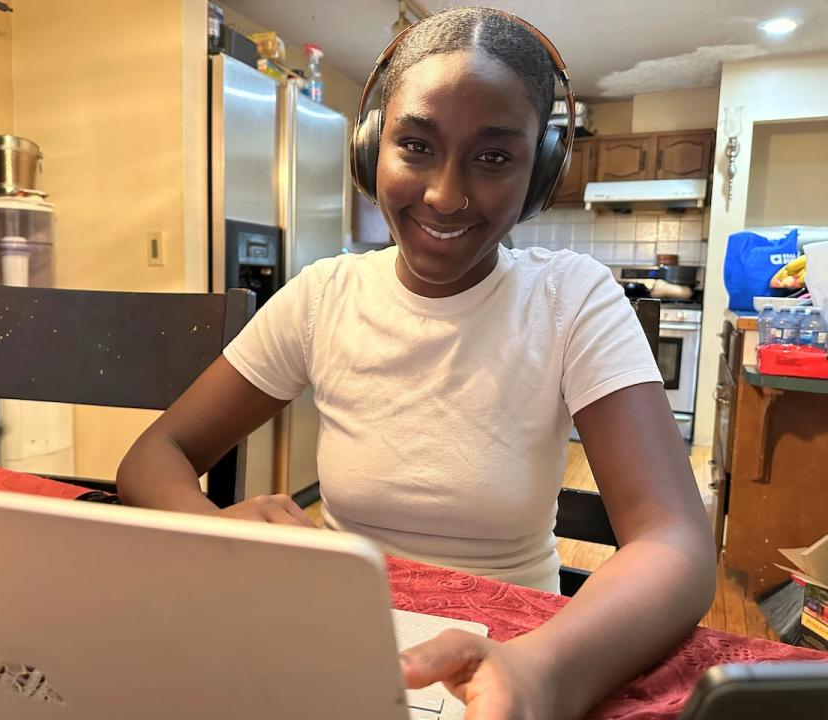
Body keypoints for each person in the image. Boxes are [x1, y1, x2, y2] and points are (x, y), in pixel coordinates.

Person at [117, 7, 715, 719]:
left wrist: (545, 670)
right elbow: (155, 454)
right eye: (417, 146)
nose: (445, 196)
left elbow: (675, 544)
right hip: (335, 638)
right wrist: (219, 531)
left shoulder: (570, 299)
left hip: (512, 648)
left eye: (494, 157)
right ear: (375, 149)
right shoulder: (323, 297)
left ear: (539, 170)